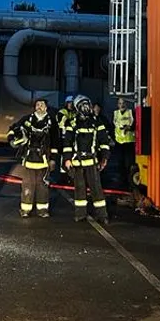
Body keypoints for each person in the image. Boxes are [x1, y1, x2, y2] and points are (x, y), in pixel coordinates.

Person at [61, 95, 111, 224]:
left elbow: (104, 141)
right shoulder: (72, 123)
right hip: (77, 161)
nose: (86, 107)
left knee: (96, 189)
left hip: (92, 161)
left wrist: (104, 157)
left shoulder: (97, 122)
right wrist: (67, 159)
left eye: (87, 104)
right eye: (83, 105)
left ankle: (102, 215)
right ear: (78, 107)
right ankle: (80, 214)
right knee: (79, 189)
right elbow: (67, 143)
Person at [6, 99, 58, 219]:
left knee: (42, 186)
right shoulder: (27, 120)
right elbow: (13, 129)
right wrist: (12, 140)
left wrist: (53, 159)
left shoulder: (51, 122)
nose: (39, 107)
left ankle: (42, 210)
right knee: (28, 185)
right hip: (29, 157)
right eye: (37, 105)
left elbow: (56, 141)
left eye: (42, 105)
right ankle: (25, 209)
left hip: (44, 159)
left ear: (46, 107)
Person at [112, 97, 136, 184]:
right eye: (120, 103)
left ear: (126, 104)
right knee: (120, 163)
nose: (122, 105)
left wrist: (130, 128)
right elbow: (113, 127)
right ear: (117, 105)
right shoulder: (115, 113)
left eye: (123, 103)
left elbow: (136, 125)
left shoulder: (131, 113)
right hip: (119, 142)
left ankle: (130, 182)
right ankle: (122, 181)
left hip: (129, 142)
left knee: (129, 163)